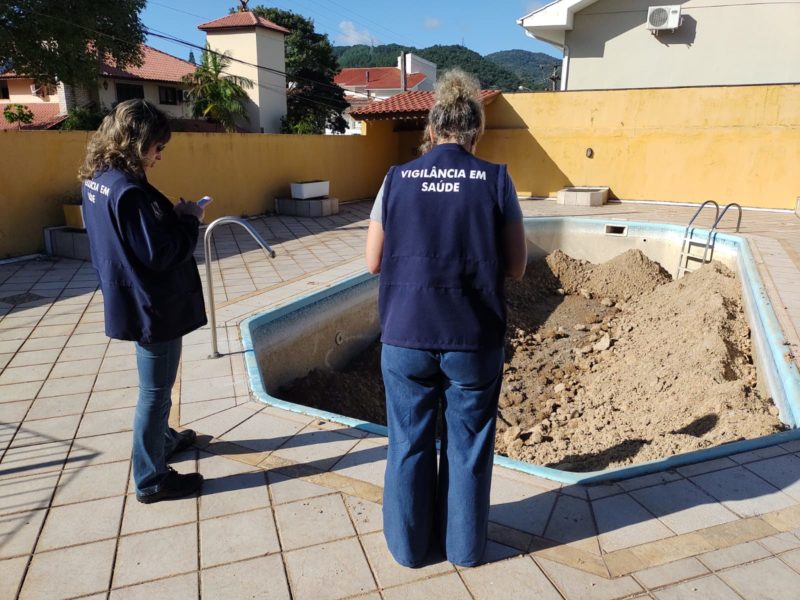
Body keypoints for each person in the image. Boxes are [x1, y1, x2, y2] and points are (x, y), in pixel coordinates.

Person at [365, 69, 528, 567]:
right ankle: (464, 550)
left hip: (406, 335)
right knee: (468, 448)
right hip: (473, 338)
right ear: (475, 130)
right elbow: (518, 265)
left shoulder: (395, 179)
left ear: (432, 129)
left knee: (409, 444)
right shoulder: (497, 179)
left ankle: (410, 550)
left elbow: (373, 260)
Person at [79, 99, 206, 504]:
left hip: (131, 295)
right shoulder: (128, 191)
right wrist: (189, 220)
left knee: (156, 386)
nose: (159, 155)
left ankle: (163, 439)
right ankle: (151, 478)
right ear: (136, 143)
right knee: (155, 391)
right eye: (156, 147)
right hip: (155, 305)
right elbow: (163, 254)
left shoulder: (99, 178)